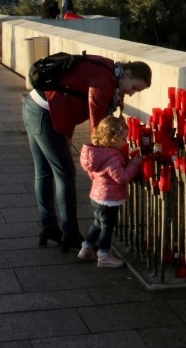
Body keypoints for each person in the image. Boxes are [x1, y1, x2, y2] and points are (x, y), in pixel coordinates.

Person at [22, 56, 152, 252]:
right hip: (45, 113)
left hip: (36, 105)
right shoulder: (105, 81)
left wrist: (67, 134)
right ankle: (70, 232)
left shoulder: (110, 69)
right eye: (134, 87)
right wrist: (104, 159)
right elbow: (97, 127)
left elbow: (71, 95)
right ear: (127, 73)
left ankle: (49, 227)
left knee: (44, 171)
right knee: (65, 173)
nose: (132, 94)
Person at [78, 116, 141, 268]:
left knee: (98, 223)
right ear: (112, 139)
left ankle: (86, 248)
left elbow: (93, 174)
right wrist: (133, 164)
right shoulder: (112, 158)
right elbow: (121, 177)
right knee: (107, 227)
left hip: (97, 197)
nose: (126, 142)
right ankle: (103, 255)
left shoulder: (97, 154)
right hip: (109, 199)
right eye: (123, 139)